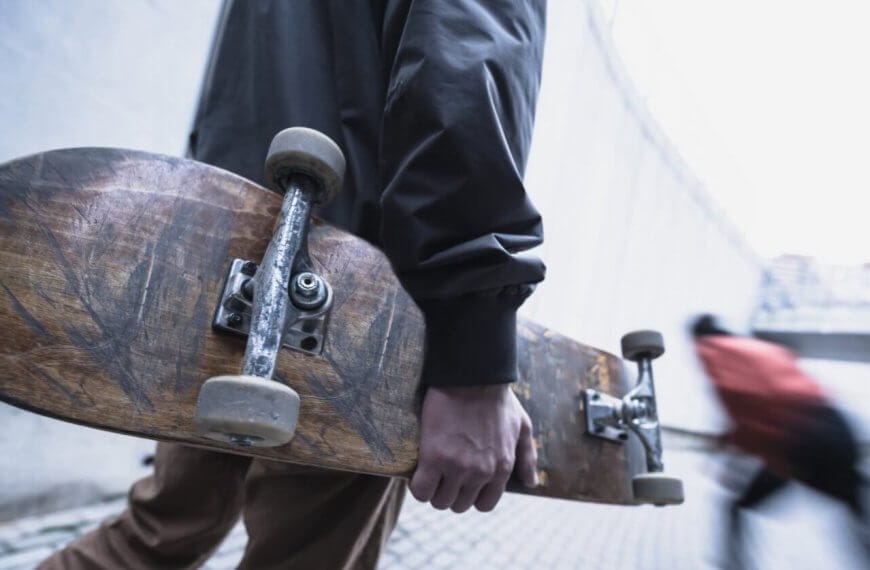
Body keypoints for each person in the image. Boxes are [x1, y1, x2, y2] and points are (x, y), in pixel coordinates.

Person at [40, 1, 547, 568]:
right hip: (350, 310)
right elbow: (466, 75)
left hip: (217, 266)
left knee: (155, 535)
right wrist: (472, 365)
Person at [691, 314, 870, 568]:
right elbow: (766, 399)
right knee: (855, 508)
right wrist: (729, 440)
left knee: (737, 507)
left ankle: (734, 565)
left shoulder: (710, 350)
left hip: (801, 440)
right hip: (836, 424)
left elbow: (744, 402)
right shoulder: (760, 349)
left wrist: (730, 455)